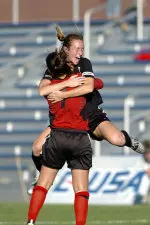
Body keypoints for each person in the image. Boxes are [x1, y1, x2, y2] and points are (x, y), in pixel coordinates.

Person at [28, 26, 145, 195]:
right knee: (36, 148)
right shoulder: (55, 66)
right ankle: (41, 178)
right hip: (66, 120)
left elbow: (91, 86)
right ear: (66, 49)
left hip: (90, 115)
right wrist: (66, 85)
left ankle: (129, 140)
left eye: (82, 49)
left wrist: (62, 94)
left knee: (117, 139)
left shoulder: (83, 63)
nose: (80, 52)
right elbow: (42, 90)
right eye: (76, 49)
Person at [26, 52, 94, 225]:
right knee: (80, 189)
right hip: (79, 138)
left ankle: (31, 221)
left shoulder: (50, 88)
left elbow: (42, 88)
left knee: (43, 183)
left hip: (57, 137)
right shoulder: (79, 81)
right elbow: (96, 84)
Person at [134, 140, 150, 204]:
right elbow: (148, 173)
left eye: (148, 153)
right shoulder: (143, 160)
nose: (147, 155)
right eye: (146, 154)